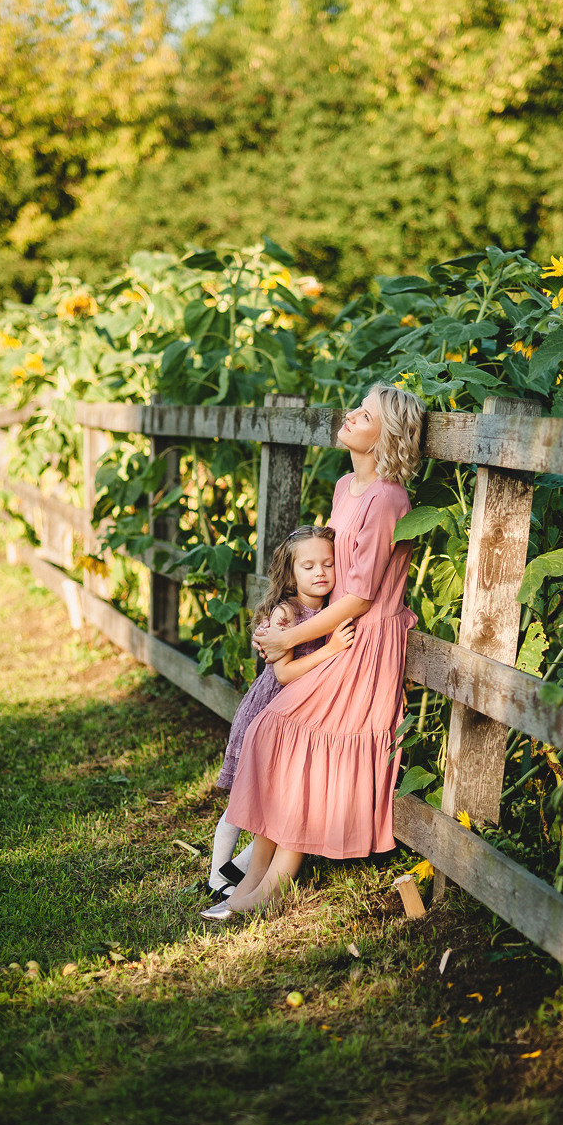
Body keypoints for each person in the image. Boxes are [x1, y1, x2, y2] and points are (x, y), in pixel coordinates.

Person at [200, 382, 426, 921]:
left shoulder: (389, 498)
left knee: (303, 744)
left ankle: (273, 887)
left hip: (364, 643)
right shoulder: (347, 484)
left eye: (365, 414)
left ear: (387, 434)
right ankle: (248, 882)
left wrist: (287, 639)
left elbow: (358, 596)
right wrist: (291, 620)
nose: (351, 415)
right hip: (336, 637)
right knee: (272, 731)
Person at [205, 525, 355, 901]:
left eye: (328, 564)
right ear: (290, 573)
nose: (320, 572)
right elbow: (284, 673)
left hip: (298, 719)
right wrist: (333, 647)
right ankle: (216, 877)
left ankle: (239, 869)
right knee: (245, 799)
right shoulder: (287, 614)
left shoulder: (330, 608)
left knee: (274, 800)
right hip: (270, 711)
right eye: (308, 566)